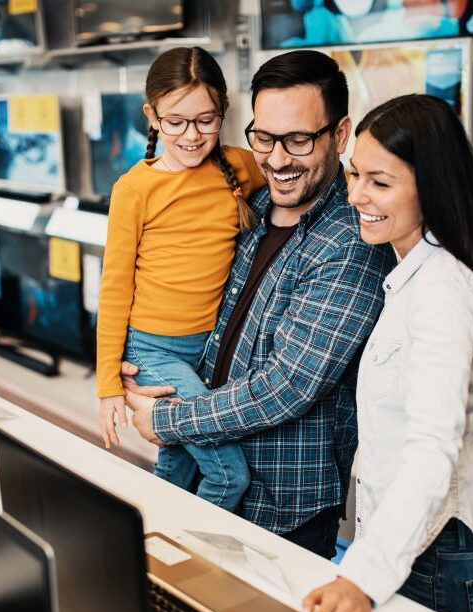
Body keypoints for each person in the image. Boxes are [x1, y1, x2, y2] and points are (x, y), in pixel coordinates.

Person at [124, 50, 396, 557]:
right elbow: (173, 284)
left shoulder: (352, 245)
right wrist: (141, 360)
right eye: (265, 138)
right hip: (205, 460)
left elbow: (286, 386)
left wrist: (165, 420)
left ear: (339, 136)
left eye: (298, 139)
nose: (276, 158)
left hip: (280, 508)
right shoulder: (251, 201)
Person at [300, 94, 473, 612]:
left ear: (430, 184)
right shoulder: (417, 271)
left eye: (379, 182)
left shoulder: (441, 293)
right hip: (425, 552)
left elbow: (431, 452)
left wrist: (360, 578)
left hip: (439, 564)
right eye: (355, 174)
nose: (356, 195)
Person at [97, 47, 265, 511]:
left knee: (177, 467)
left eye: (205, 120)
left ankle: (156, 554)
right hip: (152, 349)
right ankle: (198, 562)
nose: (192, 135)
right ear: (152, 115)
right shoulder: (134, 189)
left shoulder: (241, 167)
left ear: (223, 112)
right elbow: (114, 286)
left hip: (209, 350)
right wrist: (109, 383)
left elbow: (293, 178)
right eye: (176, 121)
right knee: (230, 474)